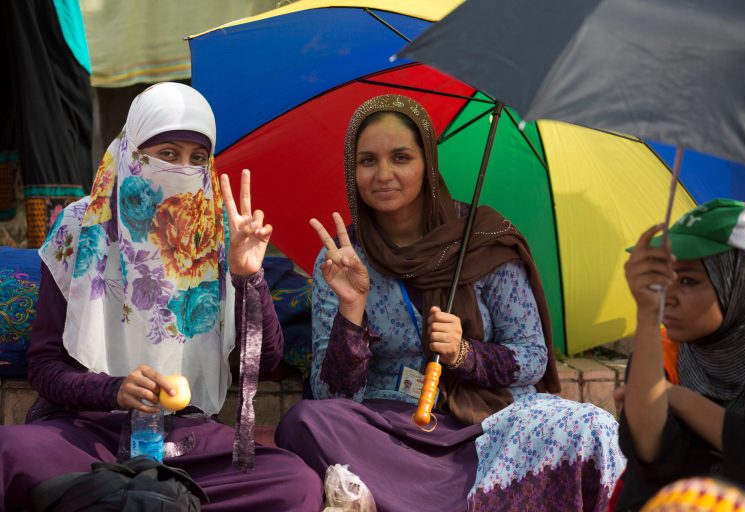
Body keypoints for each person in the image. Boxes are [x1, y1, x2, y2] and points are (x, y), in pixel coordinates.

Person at [276, 94, 624, 511]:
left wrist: (465, 353)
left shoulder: (481, 241)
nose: (383, 174)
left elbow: (533, 356)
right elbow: (331, 394)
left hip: (492, 423)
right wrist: (352, 310)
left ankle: (385, 498)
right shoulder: (342, 256)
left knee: (594, 426)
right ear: (353, 171)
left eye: (401, 158)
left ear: (427, 163)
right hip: (395, 429)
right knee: (305, 423)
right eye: (367, 161)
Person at [0, 82, 323, 511]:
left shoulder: (221, 235)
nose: (182, 169)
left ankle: (138, 496)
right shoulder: (82, 227)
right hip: (88, 432)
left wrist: (250, 279)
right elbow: (44, 366)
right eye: (167, 154)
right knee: (9, 451)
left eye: (197, 158)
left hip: (185, 443)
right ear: (133, 151)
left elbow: (264, 362)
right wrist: (113, 390)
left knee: (294, 482)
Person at [616, 198, 745, 511]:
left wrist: (678, 398)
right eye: (664, 278)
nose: (666, 298)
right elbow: (649, 454)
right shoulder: (659, 350)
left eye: (687, 280)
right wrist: (645, 315)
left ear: (744, 284)